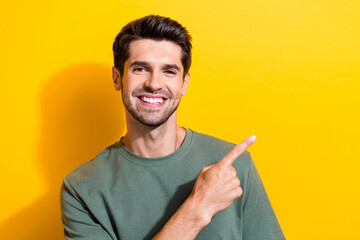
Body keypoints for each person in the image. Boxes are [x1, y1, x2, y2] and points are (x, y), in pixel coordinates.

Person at [60, 15, 285, 239]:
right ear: (117, 78)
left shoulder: (233, 167)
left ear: (184, 83)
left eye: (169, 71)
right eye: (140, 69)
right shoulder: (82, 188)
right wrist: (198, 208)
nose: (154, 83)